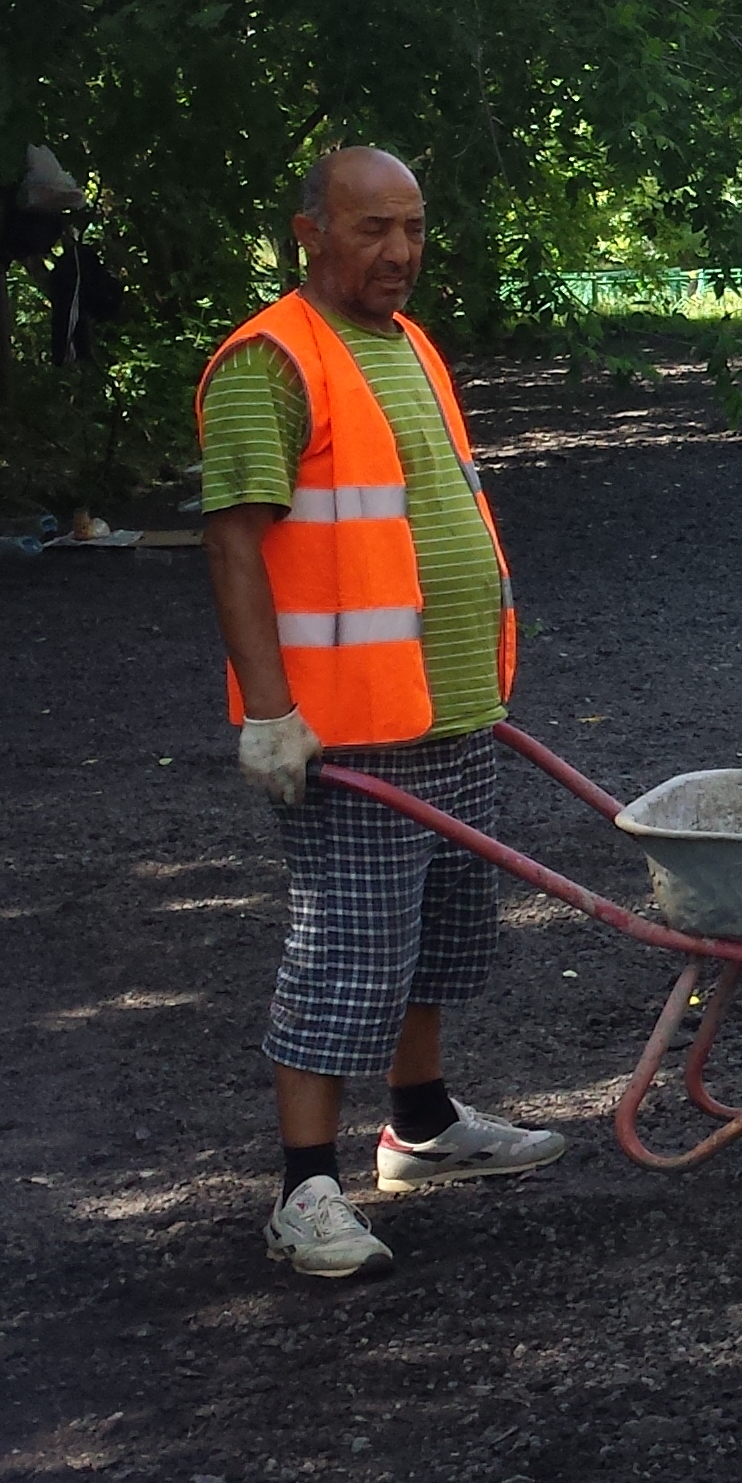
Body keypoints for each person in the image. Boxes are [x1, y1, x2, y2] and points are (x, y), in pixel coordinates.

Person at [199, 147, 565, 1280]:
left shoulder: (405, 344)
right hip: (351, 725)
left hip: (447, 707)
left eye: (412, 227)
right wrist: (271, 714)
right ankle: (304, 1190)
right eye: (372, 230)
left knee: (440, 937)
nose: (399, 252)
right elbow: (234, 541)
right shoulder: (273, 358)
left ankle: (421, 1125)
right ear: (311, 231)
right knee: (348, 952)